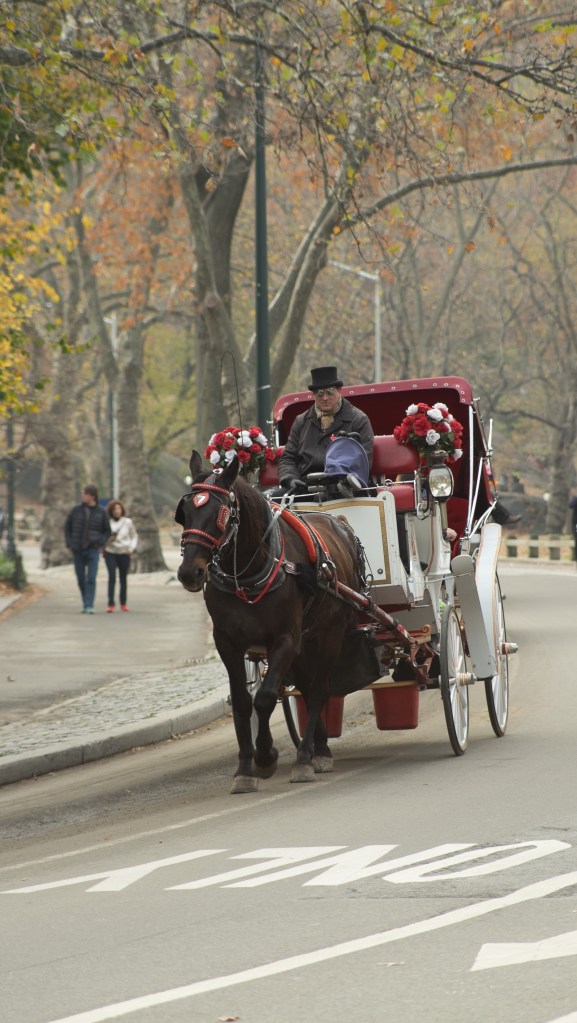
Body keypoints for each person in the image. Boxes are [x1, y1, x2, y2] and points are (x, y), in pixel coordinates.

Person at [276, 366, 374, 497]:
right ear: (313, 395)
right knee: (272, 502)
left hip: (345, 488)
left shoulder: (358, 420)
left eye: (330, 392)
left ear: (339, 391)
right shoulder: (301, 421)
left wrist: (343, 480)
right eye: (319, 393)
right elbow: (288, 458)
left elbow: (363, 460)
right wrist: (291, 479)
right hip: (306, 487)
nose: (325, 397)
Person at [64, 484, 111, 613]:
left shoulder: (101, 512)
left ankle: (89, 604)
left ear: (92, 496)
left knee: (91, 577)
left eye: (85, 494)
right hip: (77, 548)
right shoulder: (75, 511)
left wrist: (100, 542)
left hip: (93, 549)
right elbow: (67, 527)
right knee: (80, 578)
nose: (82, 496)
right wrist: (70, 543)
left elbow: (107, 531)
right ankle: (86, 600)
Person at [103, 499, 138, 612]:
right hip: (111, 552)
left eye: (118, 508)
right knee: (112, 577)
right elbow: (103, 537)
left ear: (121, 510)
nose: (116, 511)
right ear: (111, 511)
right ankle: (110, 604)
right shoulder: (107, 522)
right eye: (114, 509)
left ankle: (123, 603)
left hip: (124, 553)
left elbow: (134, 536)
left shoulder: (127, 522)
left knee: (123, 578)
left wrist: (131, 548)